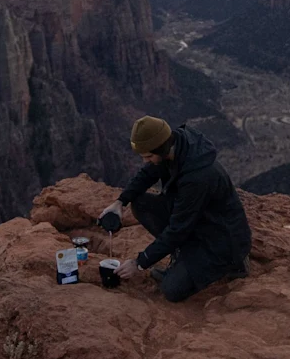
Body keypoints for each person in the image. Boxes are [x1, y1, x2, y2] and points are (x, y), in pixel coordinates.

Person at [100, 115, 252, 302]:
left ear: (162, 148)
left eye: (148, 156)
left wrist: (139, 262)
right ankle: (185, 255)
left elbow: (178, 229)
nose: (145, 161)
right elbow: (146, 175)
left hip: (221, 239)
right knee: (140, 203)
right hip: (196, 221)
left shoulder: (197, 178)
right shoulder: (174, 145)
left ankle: (234, 263)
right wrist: (120, 202)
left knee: (171, 289)